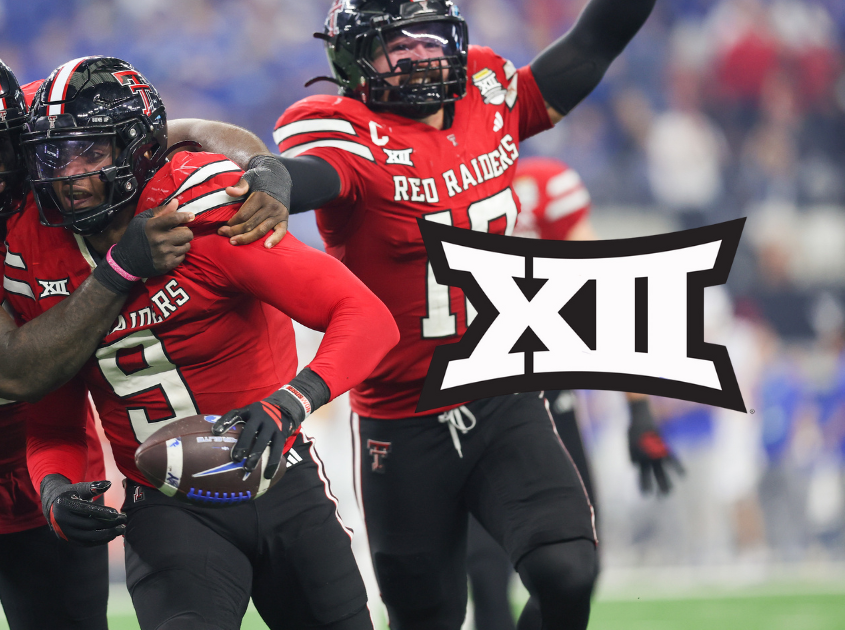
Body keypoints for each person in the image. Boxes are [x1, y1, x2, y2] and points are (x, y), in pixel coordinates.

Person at [0, 40, 291, 630]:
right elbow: (18, 369)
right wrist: (122, 267)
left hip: (47, 453)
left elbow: (185, 132)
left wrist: (266, 174)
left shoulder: (26, 124)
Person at [271, 1, 658, 628]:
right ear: (353, 62)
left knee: (569, 569)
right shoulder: (341, 129)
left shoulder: (489, 93)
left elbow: (594, 43)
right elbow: (308, 176)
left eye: (429, 39)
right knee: (429, 617)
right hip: (401, 419)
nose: (420, 56)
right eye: (396, 45)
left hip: (502, 390)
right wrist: (268, 180)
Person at [2, 56, 399, 630]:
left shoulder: (202, 208)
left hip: (278, 476)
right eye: (54, 156)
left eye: (92, 153)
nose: (73, 176)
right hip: (164, 504)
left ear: (137, 150)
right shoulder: (31, 253)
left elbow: (365, 316)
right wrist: (54, 488)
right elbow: (51, 423)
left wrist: (291, 400)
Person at [465, 157, 684, 630]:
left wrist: (639, 410)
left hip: (547, 400)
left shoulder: (542, 184)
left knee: (577, 565)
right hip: (466, 399)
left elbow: (604, 292)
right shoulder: (429, 178)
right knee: (484, 576)